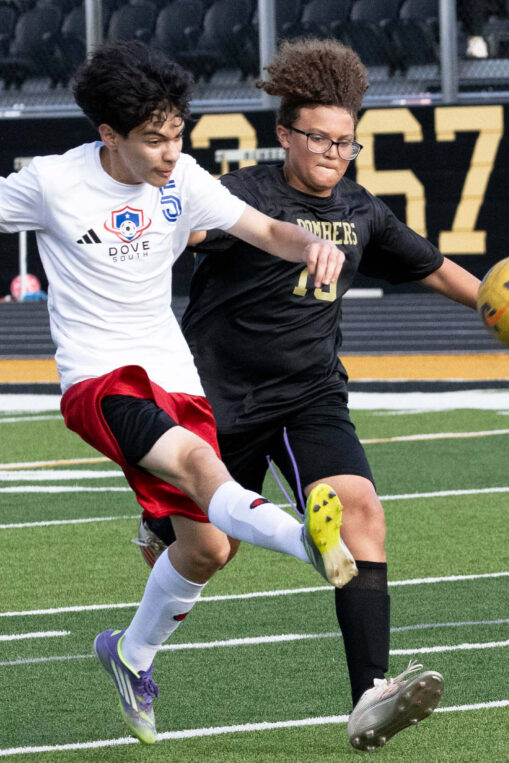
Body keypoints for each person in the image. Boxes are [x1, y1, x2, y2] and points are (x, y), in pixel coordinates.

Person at [0, 40, 360, 745]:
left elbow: (263, 229)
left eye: (178, 134)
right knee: (204, 470)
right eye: (154, 140)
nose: (171, 152)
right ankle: (309, 544)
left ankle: (130, 656)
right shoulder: (49, 182)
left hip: (173, 376)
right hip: (100, 381)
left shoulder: (183, 177)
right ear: (109, 135)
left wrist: (312, 244)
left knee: (206, 550)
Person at [138, 38, 481, 751]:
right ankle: (160, 532)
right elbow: (180, 226)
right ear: (285, 134)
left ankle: (370, 695)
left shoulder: (361, 208)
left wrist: (507, 308)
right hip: (215, 400)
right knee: (206, 551)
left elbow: (441, 269)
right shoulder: (243, 196)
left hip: (310, 396)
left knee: (360, 509)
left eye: (346, 142)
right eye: (319, 137)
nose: (333, 151)